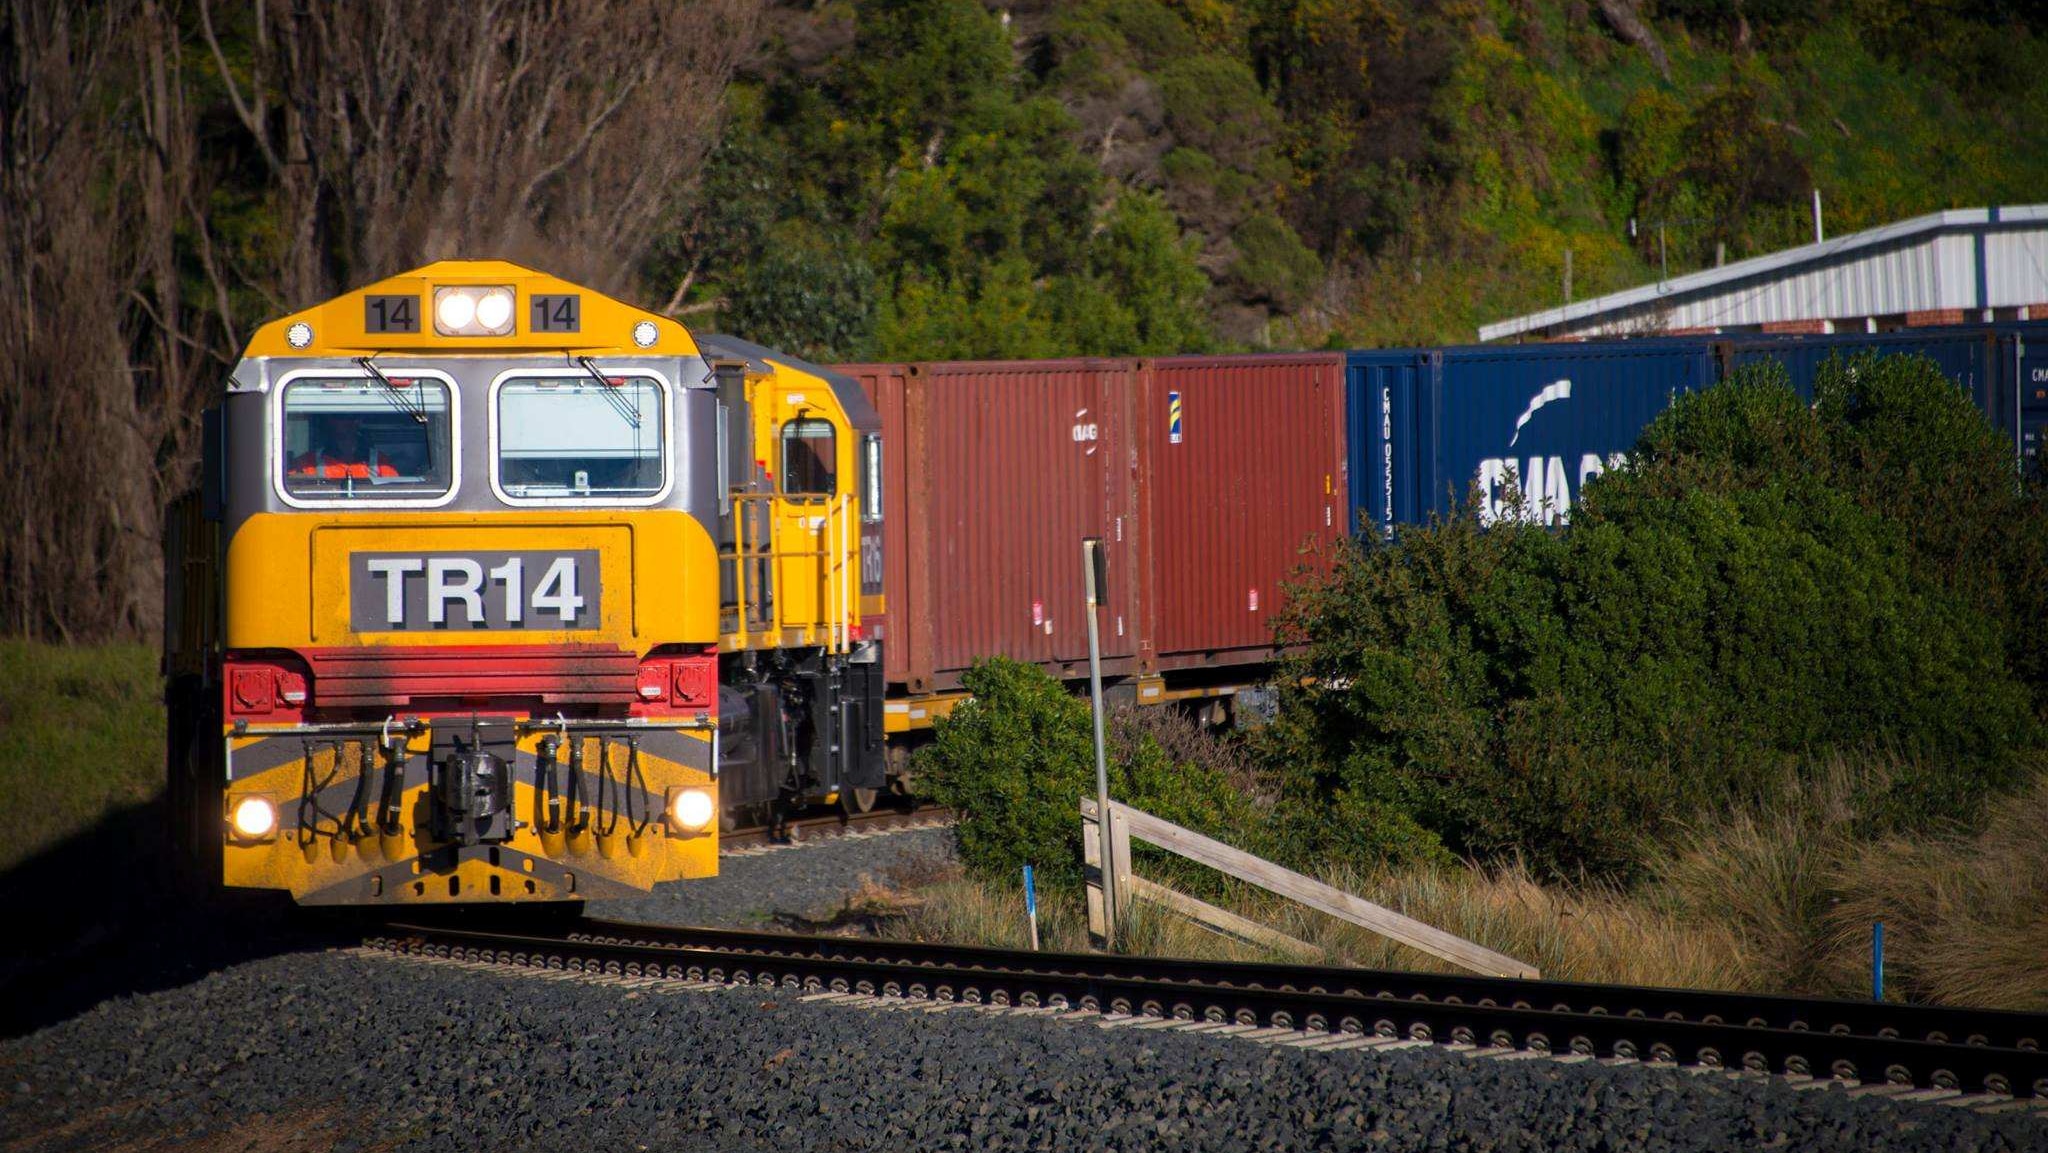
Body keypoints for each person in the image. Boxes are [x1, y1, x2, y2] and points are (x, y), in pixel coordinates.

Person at [289, 414, 397, 479]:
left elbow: (394, 491)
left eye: (353, 417)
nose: (348, 422)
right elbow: (290, 482)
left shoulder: (380, 461)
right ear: (330, 422)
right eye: (341, 417)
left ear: (358, 422)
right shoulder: (308, 461)